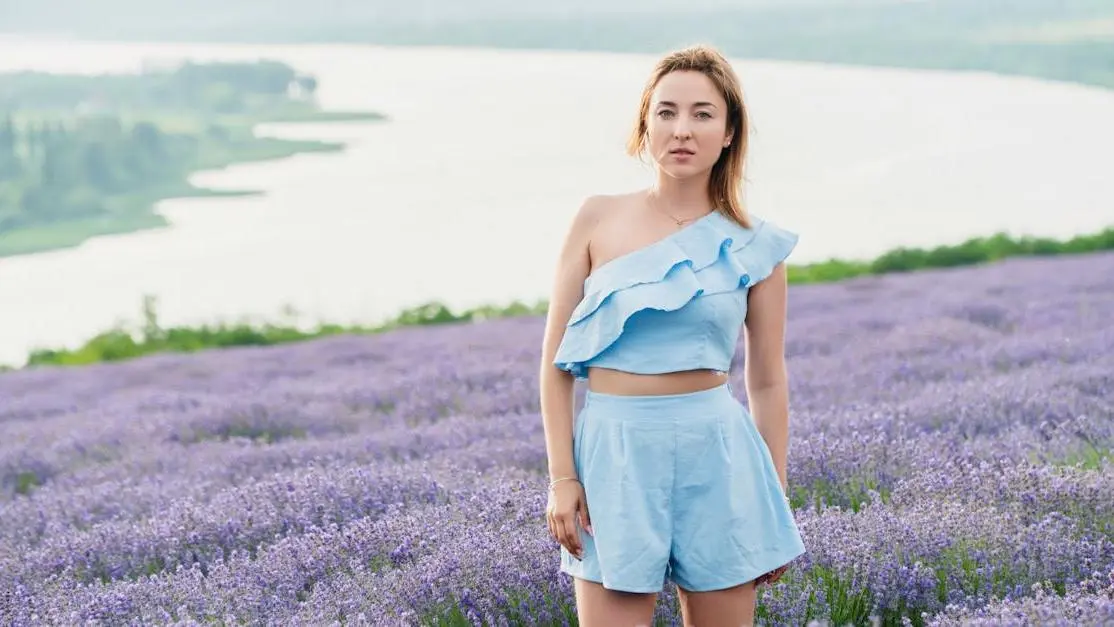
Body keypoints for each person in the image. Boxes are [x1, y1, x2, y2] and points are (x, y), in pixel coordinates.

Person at [538, 44, 807, 627]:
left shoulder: (757, 245)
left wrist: (773, 497)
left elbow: (766, 381)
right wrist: (563, 478)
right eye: (666, 112)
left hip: (719, 452)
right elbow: (555, 367)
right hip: (614, 451)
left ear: (730, 130)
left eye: (702, 113)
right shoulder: (596, 218)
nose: (681, 129)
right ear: (645, 123)